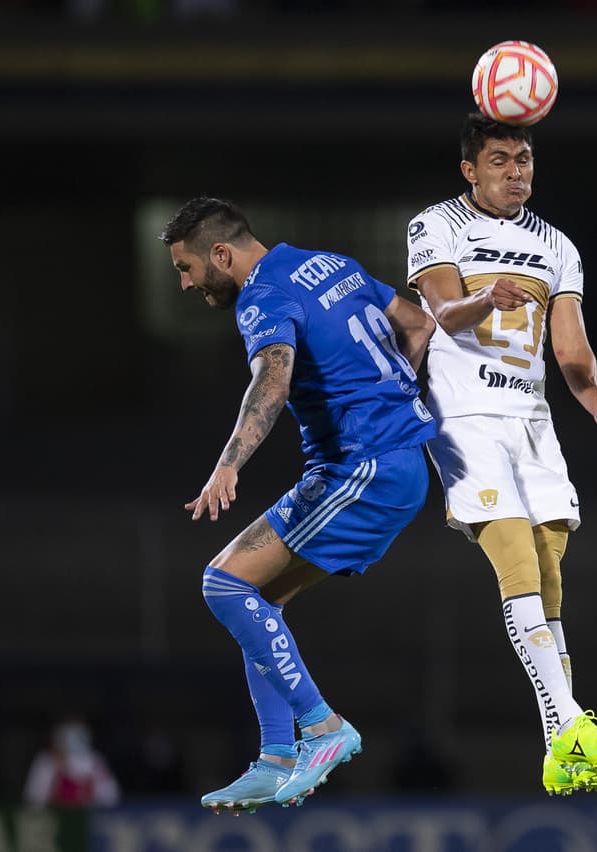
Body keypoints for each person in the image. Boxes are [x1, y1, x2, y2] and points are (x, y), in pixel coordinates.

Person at [160, 197, 437, 813]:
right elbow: (418, 323)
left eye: (186, 267)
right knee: (259, 602)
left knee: (223, 585)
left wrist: (228, 462)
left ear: (221, 255)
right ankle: (276, 757)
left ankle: (322, 727)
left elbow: (272, 379)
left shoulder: (262, 297)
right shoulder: (329, 263)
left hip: (362, 468)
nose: (183, 283)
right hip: (393, 465)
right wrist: (393, 397)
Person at [405, 113, 597, 796]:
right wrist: (486, 297)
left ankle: (559, 748)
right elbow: (444, 313)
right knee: (514, 560)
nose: (517, 173)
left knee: (548, 577)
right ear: (470, 170)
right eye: (501, 161)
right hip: (466, 418)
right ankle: (572, 720)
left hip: (533, 421)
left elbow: (570, 346)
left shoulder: (557, 246)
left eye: (525, 161)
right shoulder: (436, 225)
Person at [23, 716, 121, 807]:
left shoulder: (95, 760)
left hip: (88, 818)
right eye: (70, 732)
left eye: (79, 732)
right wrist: (54, 772)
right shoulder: (47, 760)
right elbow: (33, 798)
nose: (75, 738)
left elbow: (111, 798)